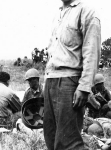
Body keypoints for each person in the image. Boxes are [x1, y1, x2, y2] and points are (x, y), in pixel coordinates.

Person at [43, 0, 101, 149]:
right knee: (51, 137)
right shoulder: (58, 14)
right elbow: (52, 52)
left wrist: (84, 87)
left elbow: (92, 52)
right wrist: (46, 82)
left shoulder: (87, 11)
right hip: (51, 79)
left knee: (68, 141)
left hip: (70, 81)